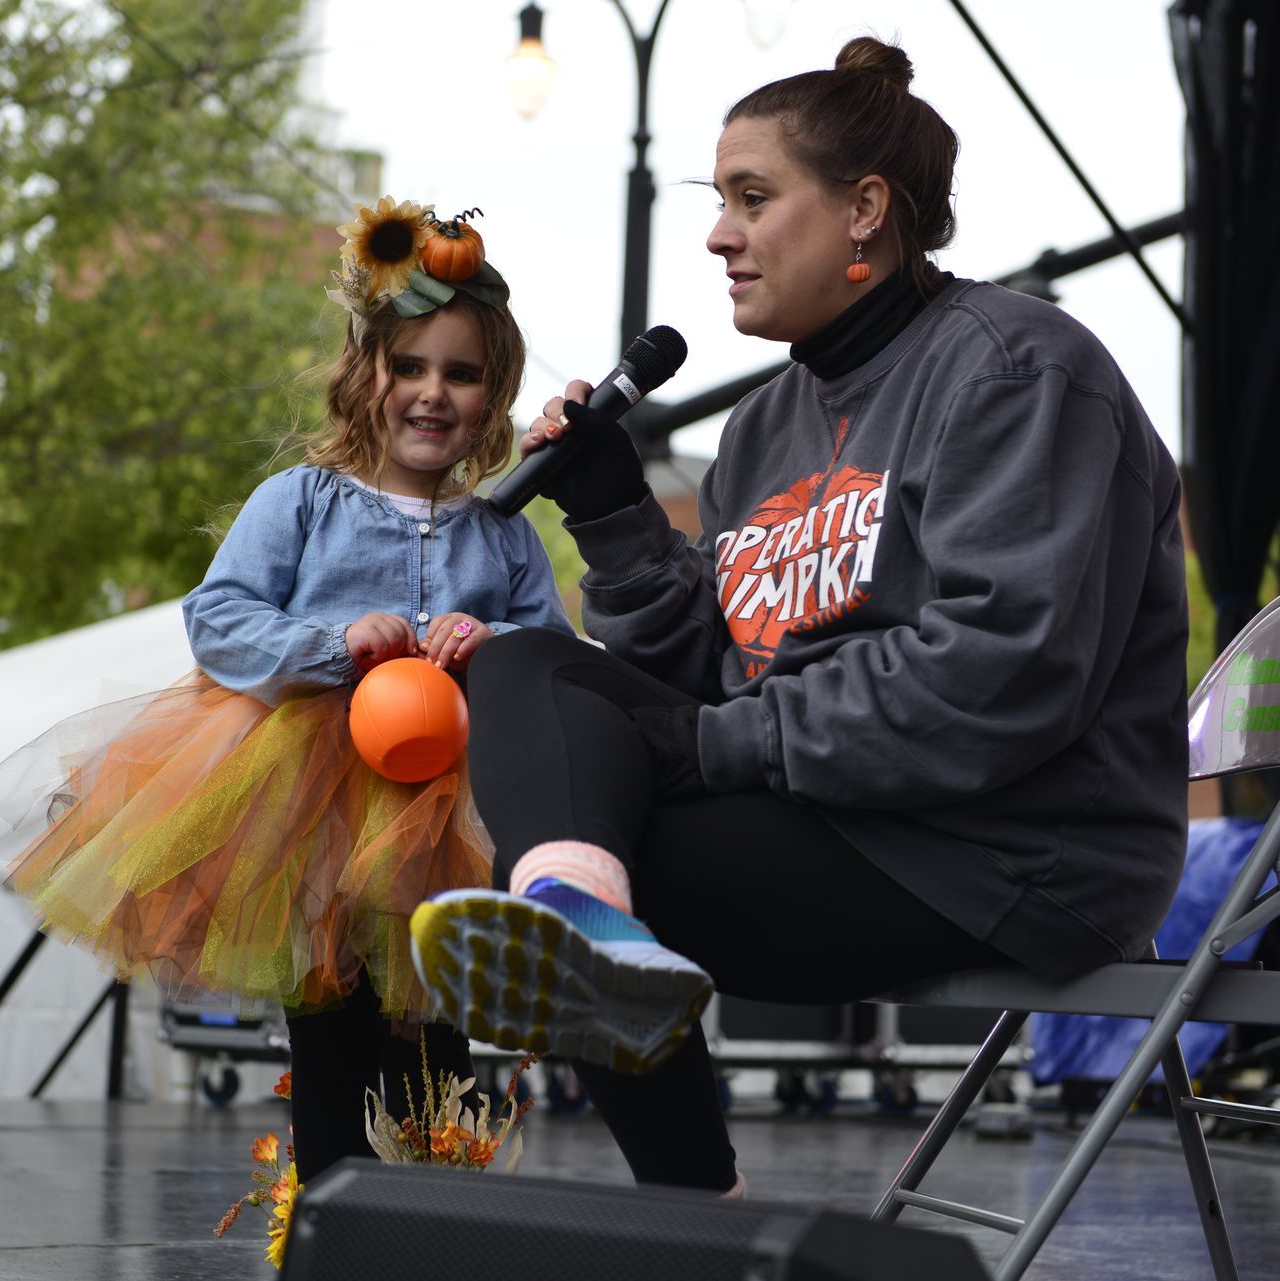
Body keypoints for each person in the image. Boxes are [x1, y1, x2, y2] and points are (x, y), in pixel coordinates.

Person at [411, 36, 1188, 1195]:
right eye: (719, 202)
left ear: (866, 211)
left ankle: (691, 1206)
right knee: (527, 681)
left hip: (1006, 853)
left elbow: (1003, 670)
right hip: (834, 810)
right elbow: (708, 676)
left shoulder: (1016, 374)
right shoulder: (766, 428)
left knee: (563, 865)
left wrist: (720, 742)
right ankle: (653, 1113)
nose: (720, 235)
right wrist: (617, 512)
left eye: (753, 199)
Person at [0, 199, 572, 1182]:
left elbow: (556, 649)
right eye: (409, 367)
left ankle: (439, 1229)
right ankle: (334, 1221)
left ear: (494, 393)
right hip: (317, 809)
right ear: (364, 373)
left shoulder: (501, 532)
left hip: (450, 815)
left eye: (461, 374)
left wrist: (492, 640)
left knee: (436, 1034)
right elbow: (218, 620)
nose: (432, 394)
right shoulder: (301, 500)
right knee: (333, 1024)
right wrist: (333, 641)